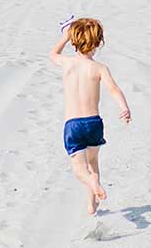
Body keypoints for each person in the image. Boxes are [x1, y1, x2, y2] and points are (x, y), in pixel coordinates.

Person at [49, 18, 132, 215]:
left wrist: (64, 37)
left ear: (74, 41)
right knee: (93, 163)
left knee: (80, 170)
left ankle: (92, 183)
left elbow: (52, 54)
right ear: (97, 43)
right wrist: (124, 107)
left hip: (73, 125)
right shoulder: (99, 68)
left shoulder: (67, 63)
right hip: (94, 123)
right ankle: (92, 203)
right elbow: (113, 89)